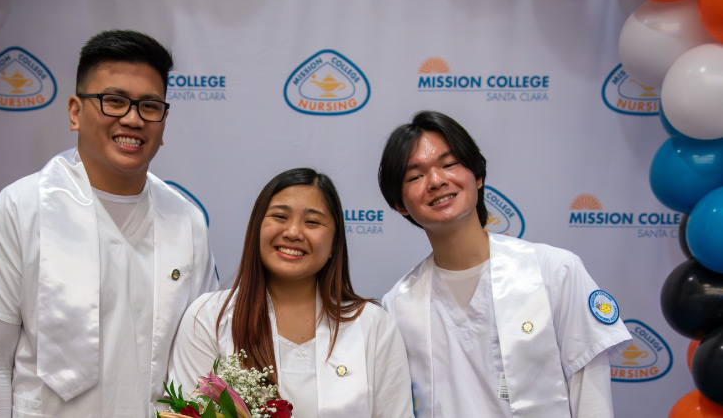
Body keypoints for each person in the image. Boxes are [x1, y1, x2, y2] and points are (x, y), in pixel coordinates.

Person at [0, 30, 218, 418]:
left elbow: (201, 358)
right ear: (75, 111)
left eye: (149, 106)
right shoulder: (23, 207)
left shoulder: (187, 221)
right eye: (114, 101)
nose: (132, 118)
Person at [378, 111, 632, 418]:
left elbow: (592, 397)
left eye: (449, 165)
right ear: (399, 205)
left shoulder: (554, 271)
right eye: (415, 176)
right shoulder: (399, 304)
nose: (436, 181)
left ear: (478, 174)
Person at [169, 168, 414, 418]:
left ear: (334, 243)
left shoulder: (372, 325)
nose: (293, 232)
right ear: (256, 228)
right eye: (280, 216)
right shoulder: (209, 318)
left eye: (312, 222)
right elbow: (188, 411)